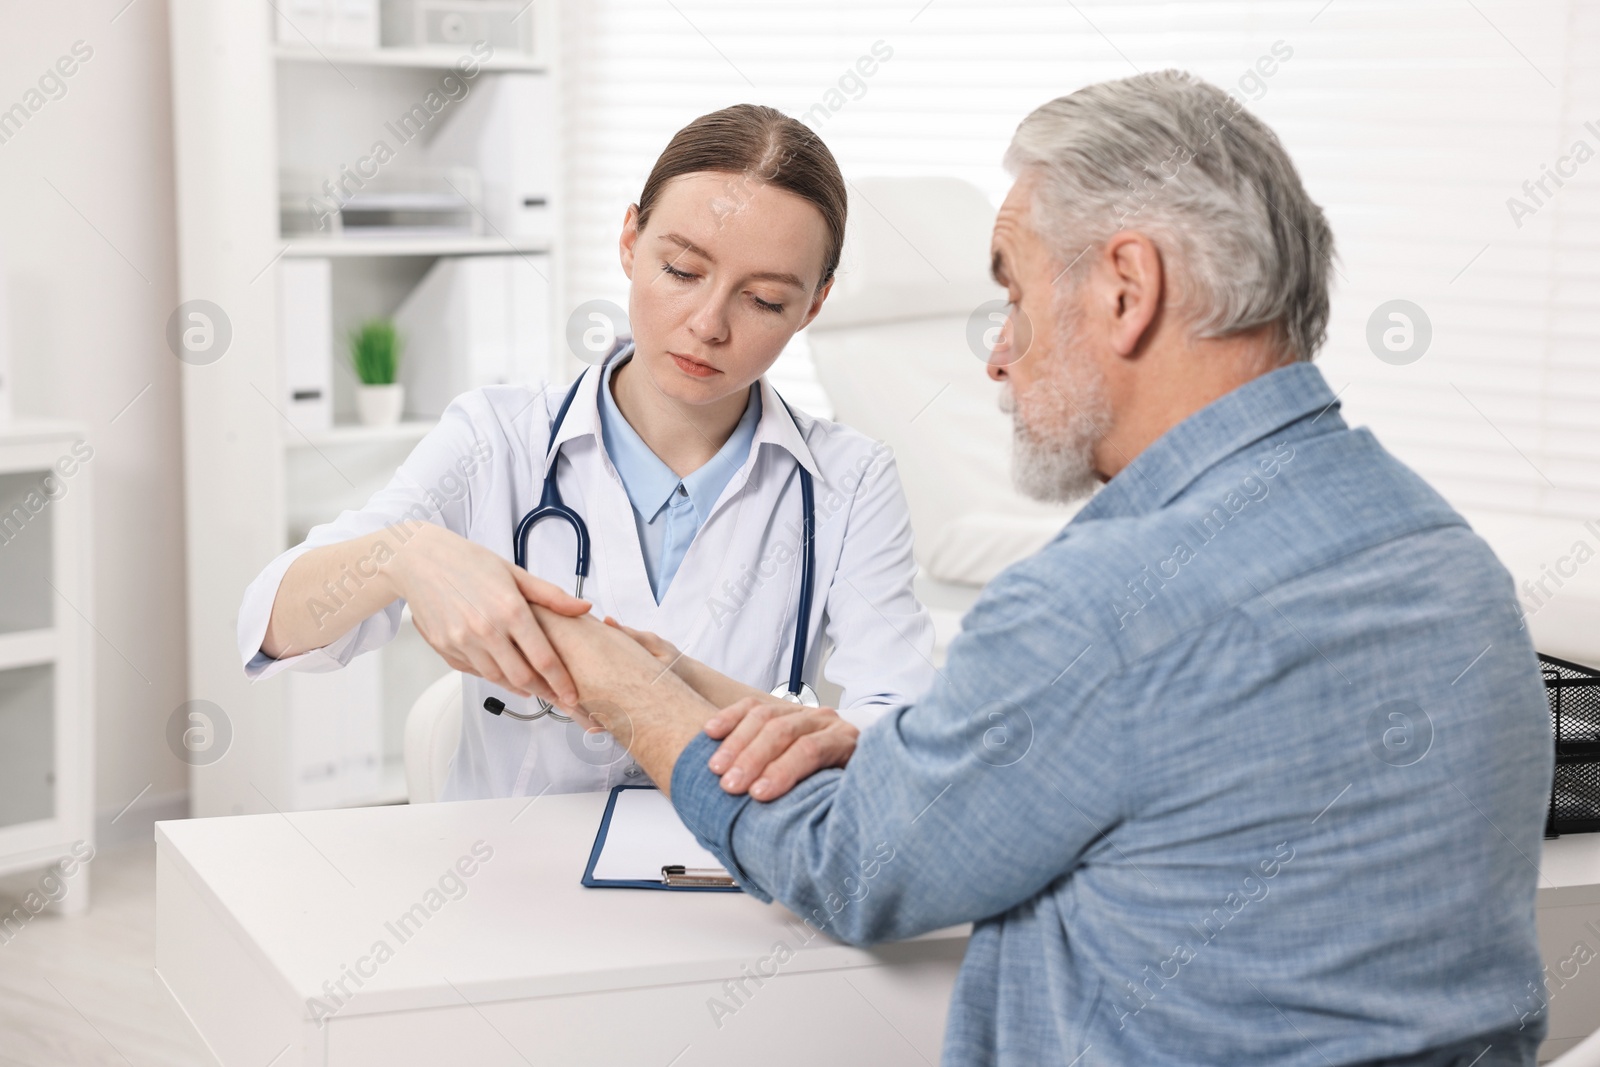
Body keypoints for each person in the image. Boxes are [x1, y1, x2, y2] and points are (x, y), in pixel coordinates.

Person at [522, 72, 1555, 1065]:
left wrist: (620, 690)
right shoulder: (1443, 556)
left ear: (1124, 290)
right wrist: (890, 749)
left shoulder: (1106, 602)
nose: (997, 353)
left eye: (1011, 296)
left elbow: (852, 867)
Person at [237, 104, 934, 800]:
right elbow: (270, 622)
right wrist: (404, 554)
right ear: (630, 240)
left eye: (763, 299)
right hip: (510, 883)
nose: (708, 324)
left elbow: (896, 736)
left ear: (813, 305)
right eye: (683, 270)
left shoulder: (850, 479)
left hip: (731, 879)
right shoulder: (496, 437)